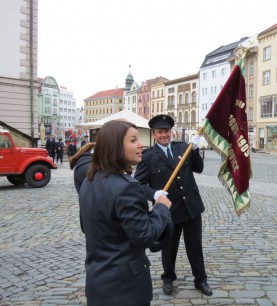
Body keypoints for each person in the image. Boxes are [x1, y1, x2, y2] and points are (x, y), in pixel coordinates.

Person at [78, 120, 172, 306]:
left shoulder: (89, 180)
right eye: (133, 140)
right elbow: (144, 236)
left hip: (98, 283)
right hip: (125, 288)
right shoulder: (127, 188)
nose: (140, 145)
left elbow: (85, 226)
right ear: (115, 146)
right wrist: (161, 208)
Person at [134, 114, 212, 296]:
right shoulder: (148, 157)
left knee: (195, 247)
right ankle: (168, 278)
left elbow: (198, 168)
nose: (164, 135)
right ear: (154, 134)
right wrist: (153, 194)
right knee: (169, 248)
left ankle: (201, 279)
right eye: (160, 132)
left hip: (191, 207)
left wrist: (195, 149)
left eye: (167, 131)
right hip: (168, 211)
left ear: (171, 132)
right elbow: (138, 185)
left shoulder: (183, 148)